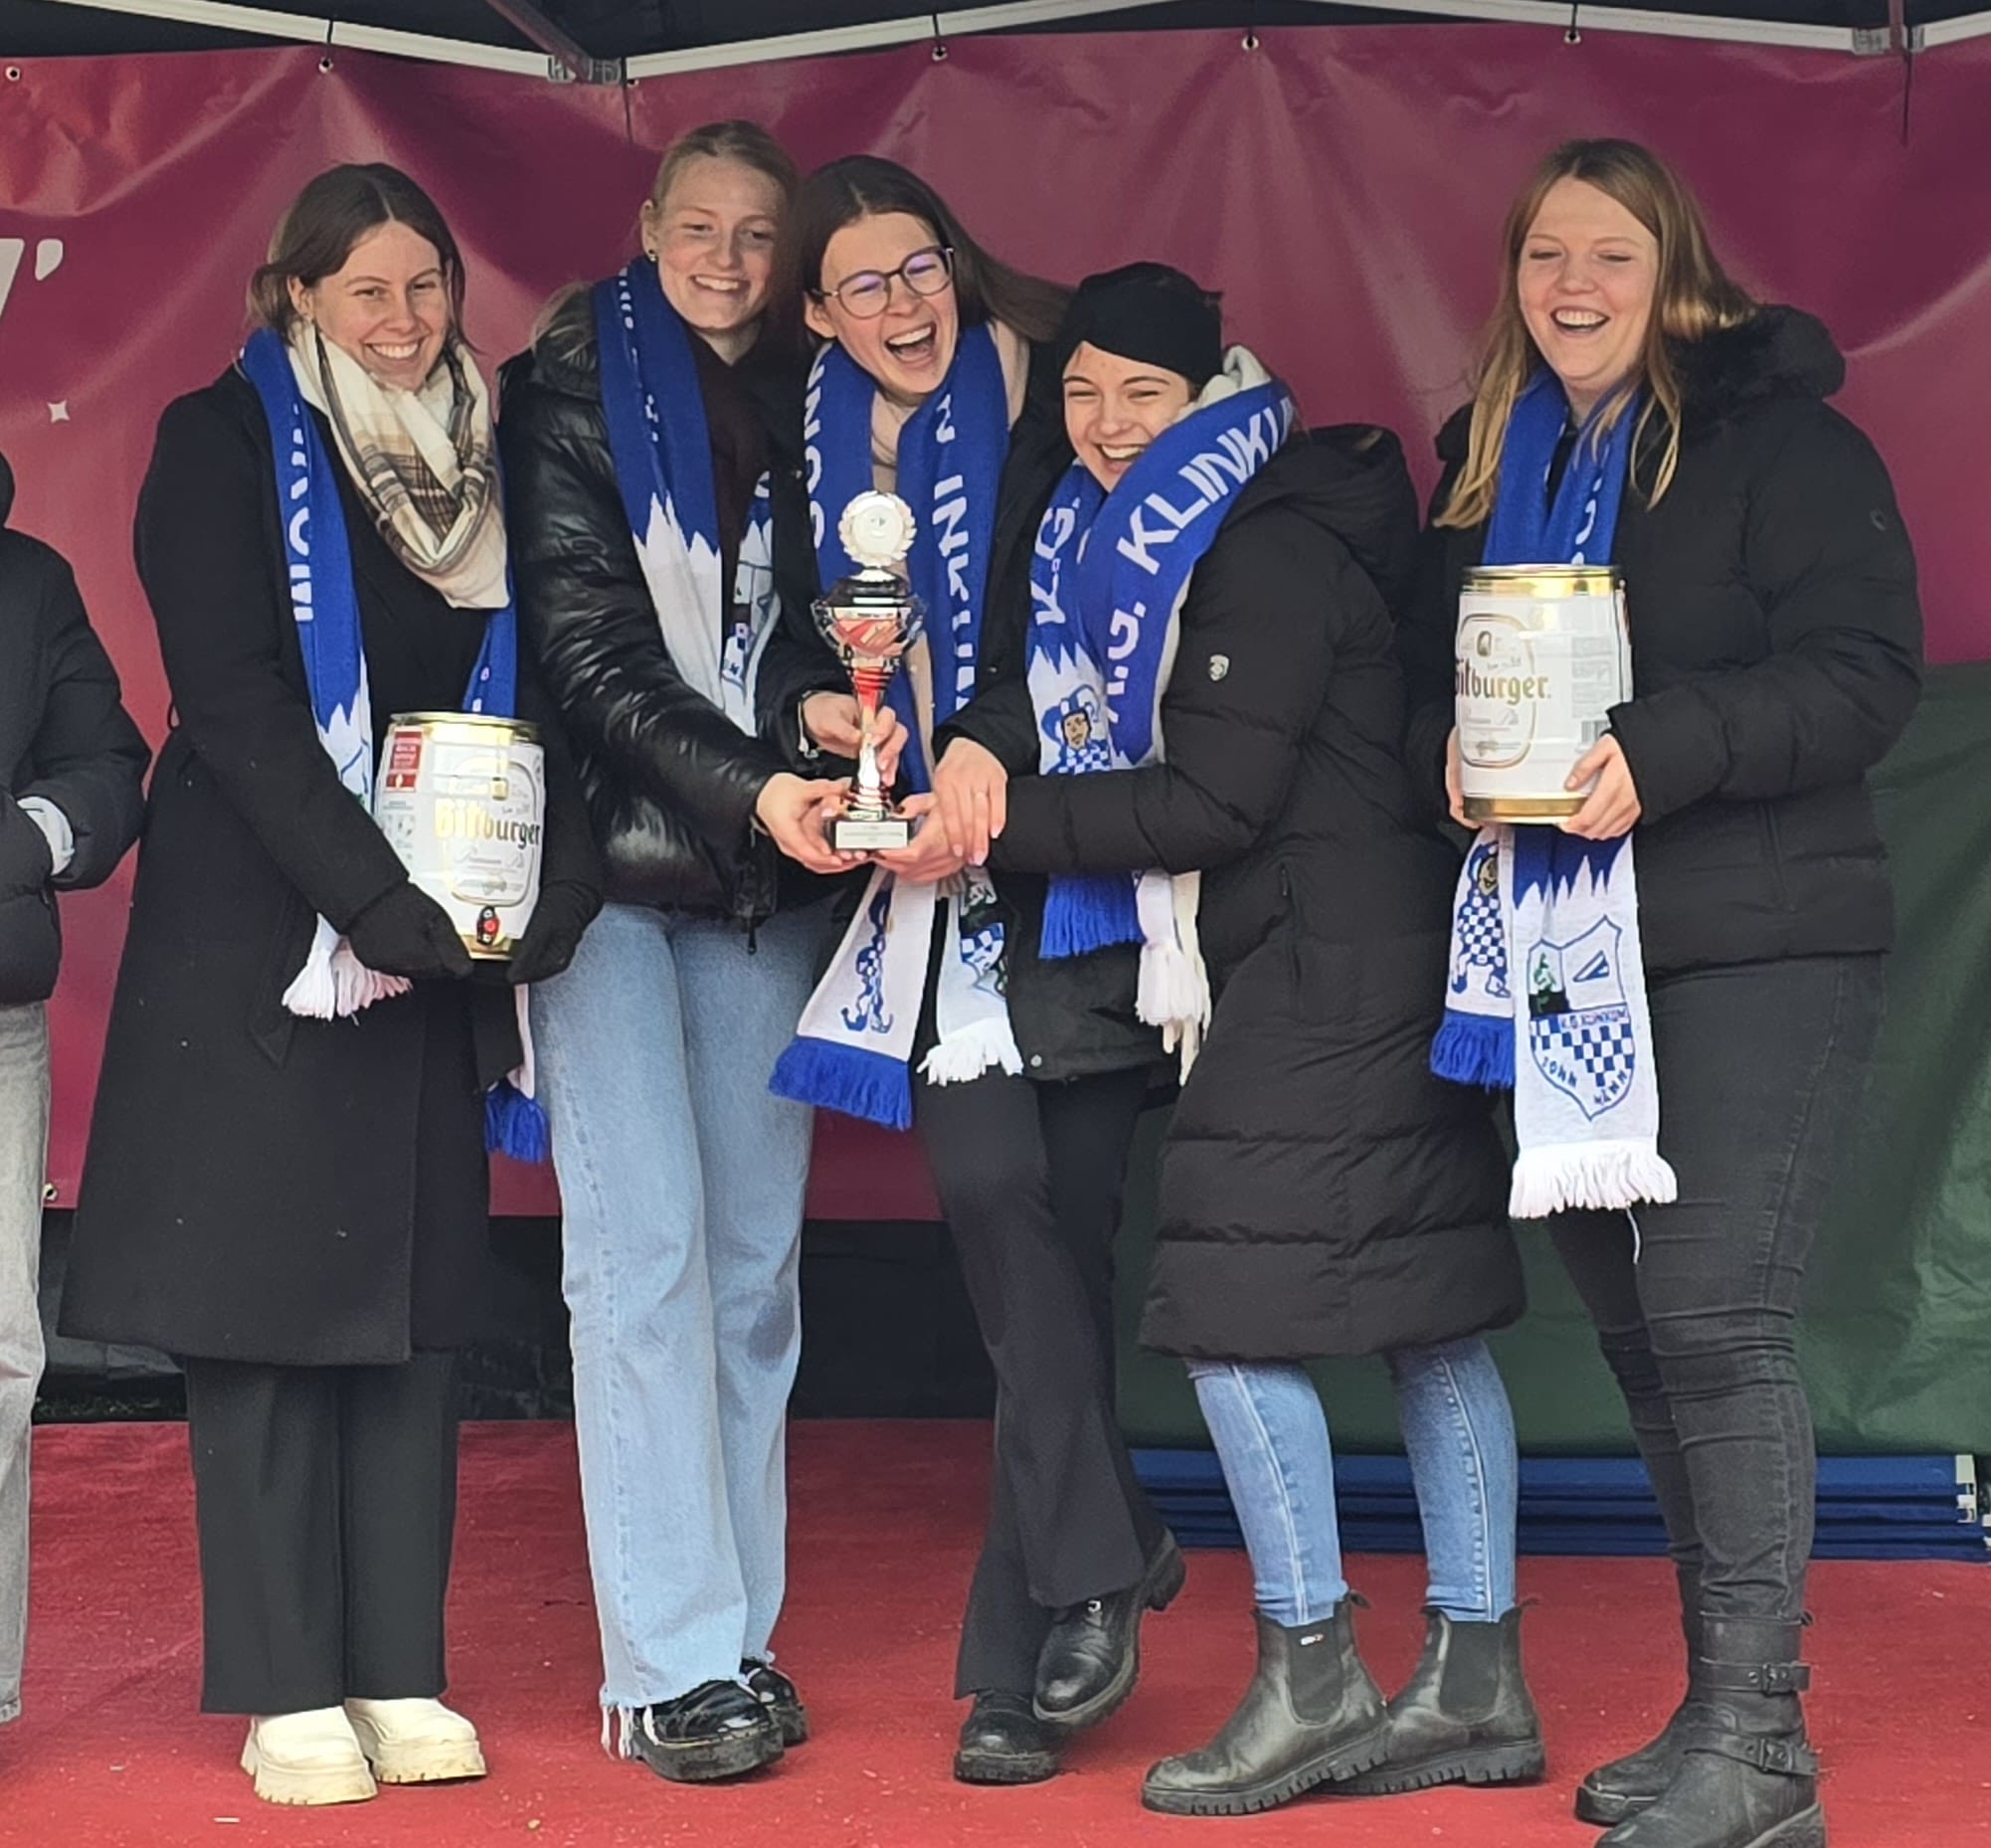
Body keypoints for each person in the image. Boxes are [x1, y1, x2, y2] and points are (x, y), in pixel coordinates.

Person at [948, 262, 1535, 1817]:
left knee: (1222, 1312)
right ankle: (1476, 1676)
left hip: (1317, 960)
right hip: (1336, 948)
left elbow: (1210, 800)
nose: (1103, 425)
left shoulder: (1259, 546)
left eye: (1140, 393)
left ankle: (1311, 1673)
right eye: (1078, 393)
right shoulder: (1180, 530)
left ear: (1207, 395)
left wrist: (991, 824)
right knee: (1426, 1315)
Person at [59, 164, 601, 1807]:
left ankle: (397, 1665)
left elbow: (546, 692)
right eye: (365, 290)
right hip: (273, 939)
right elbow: (229, 700)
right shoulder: (215, 446)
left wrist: (538, 885)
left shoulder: (490, 459)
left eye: (425, 287)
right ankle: (286, 1683)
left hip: (438, 938)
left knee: (414, 1314)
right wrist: (372, 899)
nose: (402, 319)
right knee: (269, 1321)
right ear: (295, 294)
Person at [1409, 139, 1920, 1848]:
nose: (1573, 284)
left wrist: (1659, 747)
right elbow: (1457, 681)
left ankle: (1761, 1750)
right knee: (1641, 1347)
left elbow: (1864, 674)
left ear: (1674, 271)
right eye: (1545, 252)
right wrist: (1459, 760)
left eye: (1609, 256)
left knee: (1715, 1327)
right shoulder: (1488, 465)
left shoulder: (1785, 444)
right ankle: (1716, 1712)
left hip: (1754, 938)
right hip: (1558, 949)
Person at [770, 158, 1180, 1785]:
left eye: (919, 265)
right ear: (815, 312)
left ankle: (1015, 1662)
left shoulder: (1052, 403)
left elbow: (1095, 621)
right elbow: (778, 648)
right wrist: (820, 711)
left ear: (959, 258)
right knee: (1004, 1228)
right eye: (861, 285)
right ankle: (1111, 1548)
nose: (902, 305)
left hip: (1061, 876)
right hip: (912, 903)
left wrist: (983, 748)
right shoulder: (792, 453)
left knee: (1055, 1254)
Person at [498, 120, 856, 1784]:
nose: (724, 256)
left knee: (751, 1273)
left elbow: (783, 641)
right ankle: (663, 1664)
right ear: (645, 227)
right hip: (607, 877)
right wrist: (759, 780)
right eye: (695, 225)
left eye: (753, 233)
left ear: (785, 253)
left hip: (755, 880)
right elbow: (586, 653)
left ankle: (739, 1634)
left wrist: (816, 715)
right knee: (636, 1263)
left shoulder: (812, 396)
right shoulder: (561, 391)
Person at [0, 450, 149, 1734]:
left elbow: (108, 767)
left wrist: (22, 839)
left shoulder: (30, 584)